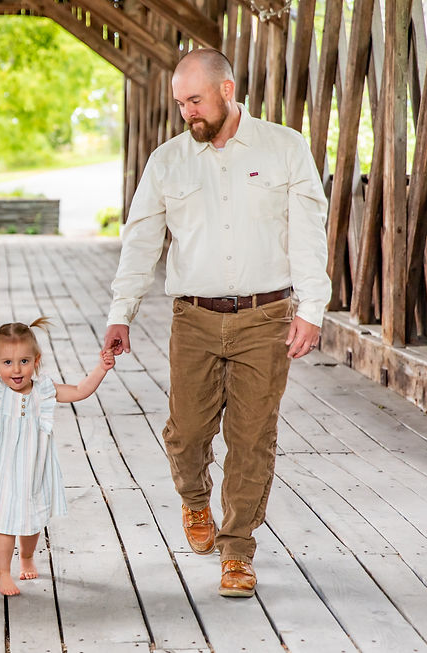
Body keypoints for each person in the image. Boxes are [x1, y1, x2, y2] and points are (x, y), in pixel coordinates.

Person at [103, 49, 330, 598]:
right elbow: (140, 242)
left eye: (196, 101)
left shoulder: (285, 148)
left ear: (228, 90)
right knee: (185, 437)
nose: (188, 114)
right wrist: (121, 313)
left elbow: (308, 232)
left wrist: (311, 309)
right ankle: (196, 499)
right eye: (181, 104)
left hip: (265, 316)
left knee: (252, 438)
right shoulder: (168, 161)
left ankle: (237, 550)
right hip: (195, 320)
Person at [0, 317, 115, 595]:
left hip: (33, 470)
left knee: (32, 521)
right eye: (7, 363)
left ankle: (26, 557)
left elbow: (81, 391)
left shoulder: (45, 392)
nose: (16, 369)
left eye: (24, 361)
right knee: (5, 523)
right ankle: (2, 573)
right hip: (1, 472)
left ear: (36, 360)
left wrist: (102, 368)